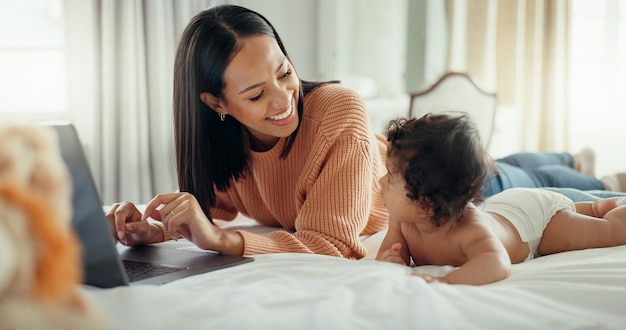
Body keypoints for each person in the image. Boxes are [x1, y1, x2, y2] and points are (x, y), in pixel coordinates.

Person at [106, 4, 622, 259]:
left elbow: (332, 244)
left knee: (534, 185)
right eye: (257, 94)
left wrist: (224, 241)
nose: (285, 101)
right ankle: (572, 160)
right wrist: (157, 228)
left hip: (437, 186)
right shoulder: (220, 141)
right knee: (514, 164)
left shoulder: (336, 109)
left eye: (284, 72)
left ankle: (585, 172)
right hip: (412, 182)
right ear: (215, 103)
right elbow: (210, 209)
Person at [375, 112, 626, 285]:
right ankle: (594, 206)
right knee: (579, 212)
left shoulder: (470, 229)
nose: (380, 182)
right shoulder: (402, 218)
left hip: (533, 223)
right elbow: (390, 253)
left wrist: (447, 280)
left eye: (390, 177)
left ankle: (606, 208)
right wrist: (391, 259)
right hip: (503, 207)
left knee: (610, 232)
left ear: (425, 203)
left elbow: (497, 263)